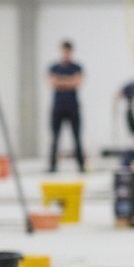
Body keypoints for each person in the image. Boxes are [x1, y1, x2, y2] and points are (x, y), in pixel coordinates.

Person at [48, 40, 85, 173]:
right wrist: (69, 80)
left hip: (73, 107)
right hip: (58, 107)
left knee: (77, 137)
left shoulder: (77, 67)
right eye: (64, 51)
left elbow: (77, 82)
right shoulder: (53, 67)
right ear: (61, 51)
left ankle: (81, 166)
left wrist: (60, 81)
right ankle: (52, 166)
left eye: (68, 51)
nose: (66, 53)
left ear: (71, 52)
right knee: (55, 138)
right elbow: (52, 82)